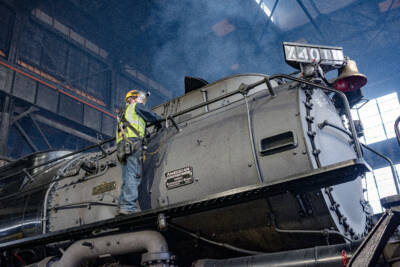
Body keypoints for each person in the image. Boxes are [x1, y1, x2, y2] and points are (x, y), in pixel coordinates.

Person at [116, 89, 161, 215]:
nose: (141, 101)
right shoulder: (135, 107)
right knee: (134, 176)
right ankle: (128, 207)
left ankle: (121, 206)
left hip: (122, 148)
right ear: (132, 99)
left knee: (127, 177)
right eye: (139, 98)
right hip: (133, 144)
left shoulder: (121, 113)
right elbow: (151, 116)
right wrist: (160, 120)